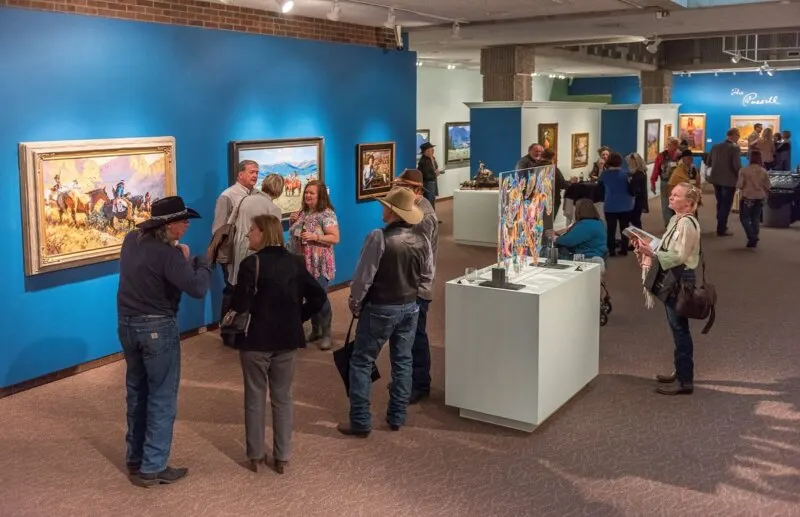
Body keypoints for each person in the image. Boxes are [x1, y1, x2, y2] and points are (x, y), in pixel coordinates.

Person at [117, 196, 211, 487]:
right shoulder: (168, 255)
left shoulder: (131, 240)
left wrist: (179, 256)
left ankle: (135, 458)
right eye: (183, 220)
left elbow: (154, 270)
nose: (186, 225)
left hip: (127, 325)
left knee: (137, 391)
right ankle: (153, 466)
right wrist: (203, 263)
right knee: (161, 395)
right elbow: (196, 287)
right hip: (157, 327)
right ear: (169, 225)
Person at [228, 214, 327, 475]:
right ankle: (282, 456)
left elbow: (239, 305)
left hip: (255, 341)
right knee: (283, 398)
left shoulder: (251, 264)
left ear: (263, 233)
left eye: (252, 230)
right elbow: (318, 296)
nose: (249, 235)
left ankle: (256, 456)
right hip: (286, 339)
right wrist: (298, 318)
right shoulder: (295, 262)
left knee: (255, 397)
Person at [338, 187, 433, 437]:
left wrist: (355, 302)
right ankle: (397, 416)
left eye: (385, 205)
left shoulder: (378, 237)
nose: (382, 208)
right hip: (410, 306)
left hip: (380, 307)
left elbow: (363, 278)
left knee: (361, 360)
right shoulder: (422, 239)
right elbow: (427, 276)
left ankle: (360, 420)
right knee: (403, 360)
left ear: (391, 210)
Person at [633, 182, 702, 396]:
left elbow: (679, 256)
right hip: (674, 276)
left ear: (689, 203)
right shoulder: (676, 220)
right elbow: (666, 246)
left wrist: (652, 253)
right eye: (671, 194)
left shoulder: (687, 225)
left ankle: (685, 380)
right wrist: (648, 245)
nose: (670, 198)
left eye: (676, 195)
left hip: (680, 278)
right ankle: (680, 372)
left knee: (680, 329)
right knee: (676, 327)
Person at [393, 169, 438, 404]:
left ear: (417, 191)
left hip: (417, 286)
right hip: (410, 284)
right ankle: (408, 379)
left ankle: (420, 383)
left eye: (404, 188)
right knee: (406, 336)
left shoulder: (422, 217)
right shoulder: (416, 210)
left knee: (416, 336)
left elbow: (416, 253)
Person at [288, 180, 339, 351]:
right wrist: (292, 222)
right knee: (308, 298)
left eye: (312, 193)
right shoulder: (303, 212)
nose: (308, 195)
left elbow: (335, 238)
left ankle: (326, 332)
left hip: (318, 263)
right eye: (306, 192)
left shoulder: (327, 214)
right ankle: (316, 329)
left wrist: (315, 237)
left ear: (320, 196)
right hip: (301, 262)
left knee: (320, 298)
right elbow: (298, 235)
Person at [212, 160, 258, 325]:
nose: (255, 175)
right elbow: (218, 229)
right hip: (231, 253)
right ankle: (226, 326)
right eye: (251, 172)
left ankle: (242, 325)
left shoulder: (256, 195)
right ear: (240, 174)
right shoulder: (227, 196)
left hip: (250, 252)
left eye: (257, 172)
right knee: (232, 289)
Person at [228, 173, 283, 287]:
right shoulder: (273, 209)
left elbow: (230, 222)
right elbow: (273, 239)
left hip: (238, 246)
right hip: (257, 252)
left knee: (239, 283)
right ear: (279, 190)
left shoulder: (243, 199)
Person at [707, 128, 742, 237]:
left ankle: (720, 225)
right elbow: (736, 166)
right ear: (733, 135)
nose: (738, 138)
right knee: (726, 205)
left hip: (716, 179)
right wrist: (741, 178)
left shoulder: (715, 147)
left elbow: (708, 162)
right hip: (729, 181)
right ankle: (721, 228)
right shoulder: (734, 149)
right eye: (738, 135)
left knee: (720, 203)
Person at [598, 152, 634, 256]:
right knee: (625, 228)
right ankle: (624, 249)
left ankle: (611, 250)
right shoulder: (626, 174)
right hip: (626, 205)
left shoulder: (605, 174)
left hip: (611, 205)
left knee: (611, 229)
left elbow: (599, 186)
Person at [736, 151, 772, 248]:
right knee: (755, 218)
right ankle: (754, 238)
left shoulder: (743, 170)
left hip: (748, 197)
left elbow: (739, 185)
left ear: (750, 158)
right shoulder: (763, 171)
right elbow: (768, 186)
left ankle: (752, 237)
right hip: (760, 197)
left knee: (744, 218)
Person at [650, 137, 681, 227]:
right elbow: (656, 169)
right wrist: (653, 183)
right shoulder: (661, 156)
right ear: (669, 145)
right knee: (666, 204)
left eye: (677, 144)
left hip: (678, 183)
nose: (676, 146)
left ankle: (677, 224)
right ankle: (669, 225)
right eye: (674, 144)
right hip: (665, 183)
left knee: (678, 203)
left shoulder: (680, 155)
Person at [667, 149, 702, 216]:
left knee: (692, 217)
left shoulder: (694, 169)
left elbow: (697, 184)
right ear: (683, 159)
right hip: (680, 200)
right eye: (688, 158)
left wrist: (699, 197)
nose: (690, 159)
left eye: (691, 158)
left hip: (691, 198)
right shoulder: (678, 171)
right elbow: (671, 185)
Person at [625, 152, 649, 230]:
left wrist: (628, 182)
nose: (628, 166)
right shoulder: (641, 173)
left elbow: (633, 191)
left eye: (629, 164)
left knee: (635, 222)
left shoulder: (637, 176)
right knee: (636, 221)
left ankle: (639, 239)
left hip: (636, 202)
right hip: (639, 201)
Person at [417, 142, 441, 210]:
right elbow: (426, 175)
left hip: (431, 183)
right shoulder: (424, 161)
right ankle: (430, 218)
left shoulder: (431, 158)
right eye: (431, 149)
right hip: (427, 184)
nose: (433, 150)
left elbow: (435, 167)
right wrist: (435, 174)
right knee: (429, 201)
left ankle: (433, 218)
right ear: (426, 151)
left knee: (432, 200)